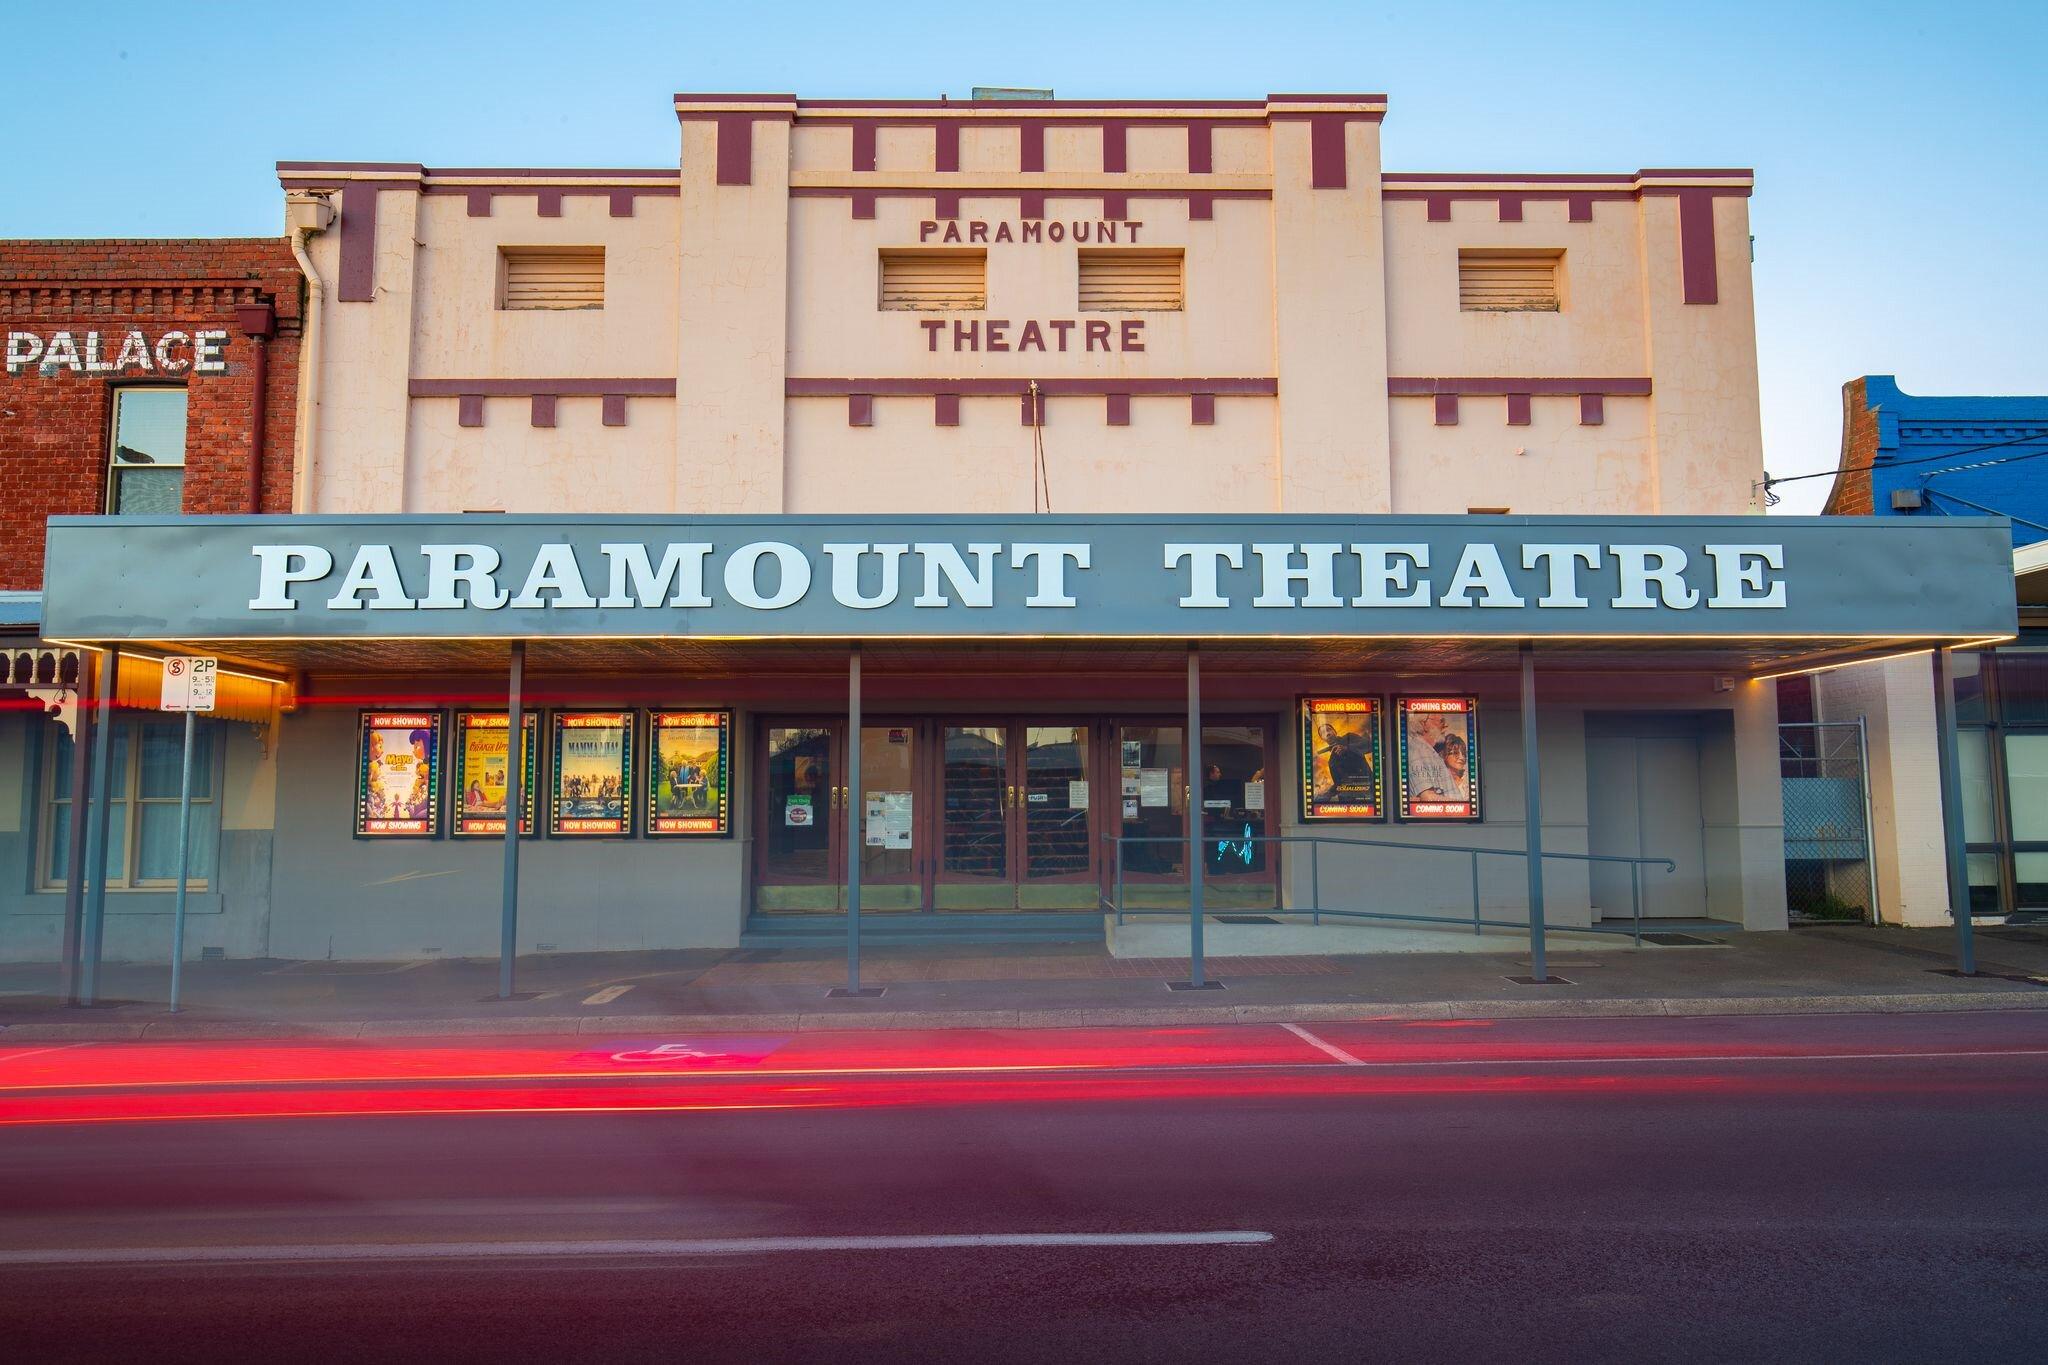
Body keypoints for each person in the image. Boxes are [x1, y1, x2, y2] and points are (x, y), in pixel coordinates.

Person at [1406, 711, 1460, 802]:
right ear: (1424, 724)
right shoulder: (1418, 751)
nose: (1446, 725)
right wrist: (1463, 805)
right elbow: (1428, 798)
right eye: (1441, 721)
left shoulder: (1427, 751)